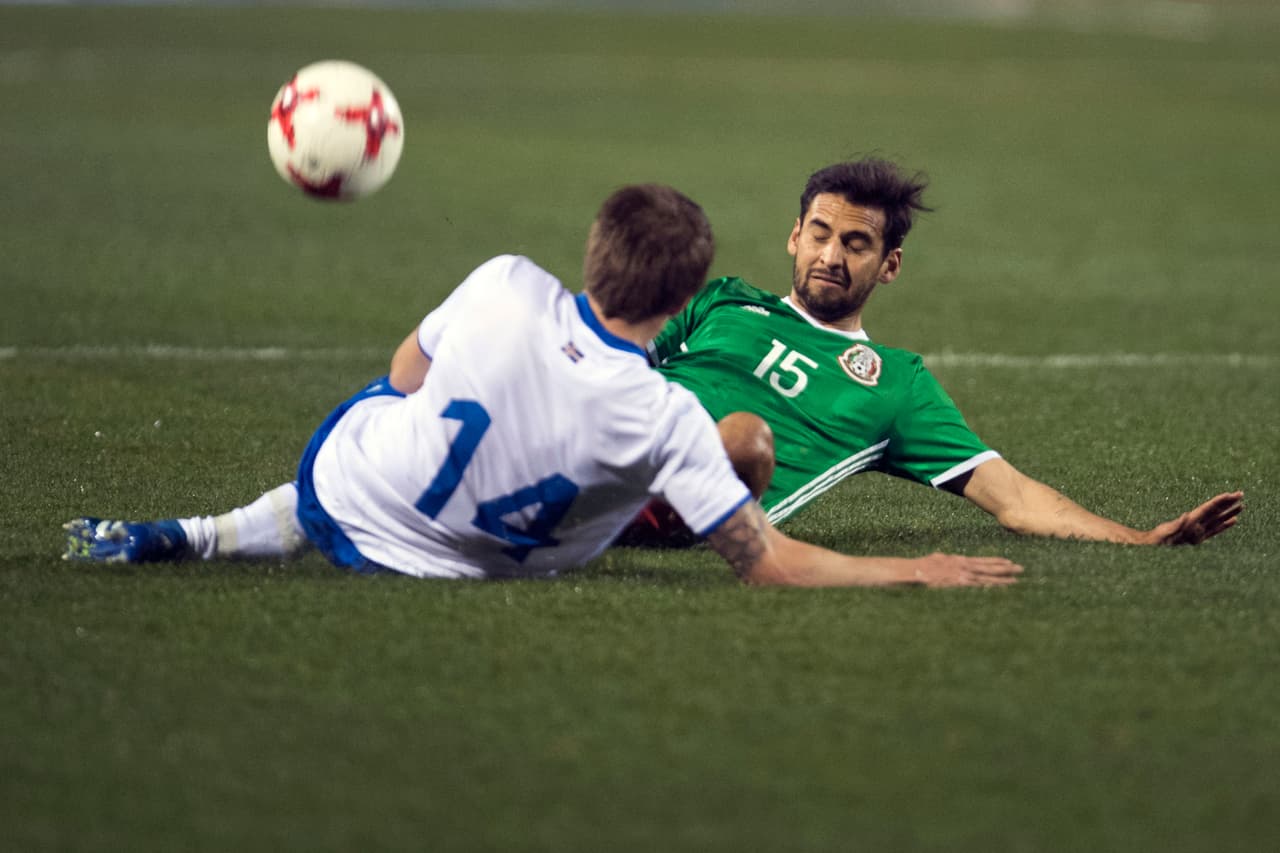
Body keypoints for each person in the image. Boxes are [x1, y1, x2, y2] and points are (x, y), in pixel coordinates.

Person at [63, 183, 1022, 589]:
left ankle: (204, 532)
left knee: (399, 412)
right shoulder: (667, 421)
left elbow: (402, 379)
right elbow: (767, 562)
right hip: (476, 561)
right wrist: (915, 568)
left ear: (593, 251)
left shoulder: (504, 285)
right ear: (689, 294)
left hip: (348, 491)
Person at [619, 159, 1243, 548]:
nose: (832, 257)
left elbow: (1016, 499)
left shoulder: (896, 385)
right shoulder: (725, 300)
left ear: (889, 265)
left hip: (679, 494)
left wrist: (1138, 537)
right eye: (820, 234)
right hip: (610, 435)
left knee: (745, 440)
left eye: (856, 243)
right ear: (794, 236)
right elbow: (620, 357)